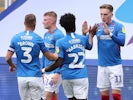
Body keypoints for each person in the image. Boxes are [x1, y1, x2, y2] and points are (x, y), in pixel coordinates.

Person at [41, 13, 94, 100]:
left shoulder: (60, 42)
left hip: (67, 77)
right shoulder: (82, 38)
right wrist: (90, 35)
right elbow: (89, 46)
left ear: (63, 26)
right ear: (74, 24)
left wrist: (44, 70)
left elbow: (59, 61)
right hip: (81, 76)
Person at [5, 13, 58, 100]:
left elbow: (7, 58)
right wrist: (57, 55)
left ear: (24, 23)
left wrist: (12, 65)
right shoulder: (38, 38)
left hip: (21, 77)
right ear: (35, 24)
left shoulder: (16, 38)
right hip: (35, 76)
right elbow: (50, 57)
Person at [82, 4, 126, 100]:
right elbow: (88, 46)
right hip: (102, 66)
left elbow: (122, 42)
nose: (103, 17)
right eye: (101, 14)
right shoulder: (97, 27)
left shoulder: (119, 26)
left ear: (111, 14)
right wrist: (87, 34)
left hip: (115, 66)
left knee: (115, 95)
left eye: (105, 14)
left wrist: (110, 34)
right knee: (104, 96)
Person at [41, 11, 64, 100]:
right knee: (53, 95)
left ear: (51, 21)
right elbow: (44, 53)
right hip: (47, 71)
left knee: (46, 96)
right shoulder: (46, 35)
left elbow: (62, 55)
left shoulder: (59, 35)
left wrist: (58, 73)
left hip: (55, 71)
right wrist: (43, 70)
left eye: (45, 20)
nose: (43, 22)